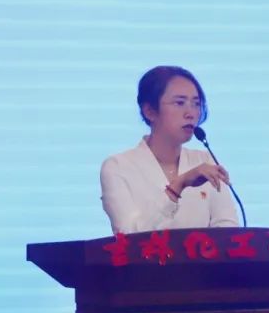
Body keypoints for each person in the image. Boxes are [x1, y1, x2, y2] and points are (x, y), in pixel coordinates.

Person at [100, 66, 239, 234]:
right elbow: (129, 236)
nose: (191, 113)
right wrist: (178, 185)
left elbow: (228, 230)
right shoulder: (118, 167)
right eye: (179, 103)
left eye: (196, 104)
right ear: (149, 111)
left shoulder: (205, 161)